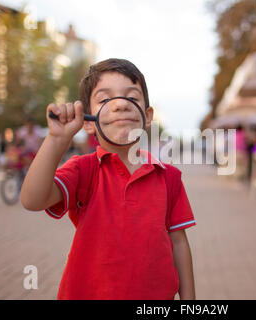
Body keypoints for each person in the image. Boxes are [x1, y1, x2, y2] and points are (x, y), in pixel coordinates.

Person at [20, 58, 196, 300]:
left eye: (132, 98)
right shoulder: (84, 170)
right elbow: (32, 200)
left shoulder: (169, 177)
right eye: (105, 100)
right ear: (89, 122)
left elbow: (178, 243)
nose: (120, 105)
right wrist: (57, 139)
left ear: (147, 116)